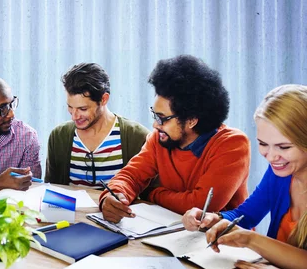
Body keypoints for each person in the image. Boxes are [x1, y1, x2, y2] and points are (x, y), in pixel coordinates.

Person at [100, 55, 250, 222]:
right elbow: (131, 176)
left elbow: (201, 205)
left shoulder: (232, 144)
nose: (155, 125)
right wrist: (113, 195)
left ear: (192, 120)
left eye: (162, 118)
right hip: (172, 232)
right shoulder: (159, 138)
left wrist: (151, 192)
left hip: (223, 241)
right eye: (154, 115)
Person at [186, 85, 307, 269]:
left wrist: (250, 239)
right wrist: (214, 219)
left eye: (284, 147)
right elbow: (247, 215)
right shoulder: (281, 172)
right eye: (263, 144)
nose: (271, 156)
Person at [45, 62, 149, 187]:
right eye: (70, 107)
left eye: (83, 109)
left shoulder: (137, 137)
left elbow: (150, 196)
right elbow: (51, 190)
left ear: (104, 99)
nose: (74, 116)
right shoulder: (59, 136)